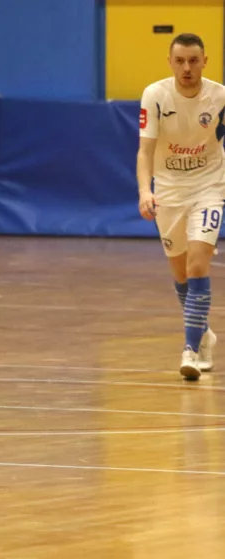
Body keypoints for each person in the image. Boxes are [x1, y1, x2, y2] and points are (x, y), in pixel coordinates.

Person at [138, 32, 225, 381]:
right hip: (169, 190)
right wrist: (145, 190)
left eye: (193, 60)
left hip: (209, 187)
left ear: (205, 61)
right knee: (180, 274)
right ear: (170, 62)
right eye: (180, 61)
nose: (186, 67)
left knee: (198, 264)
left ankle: (190, 349)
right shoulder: (155, 95)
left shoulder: (219, 96)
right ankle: (203, 336)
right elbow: (145, 150)